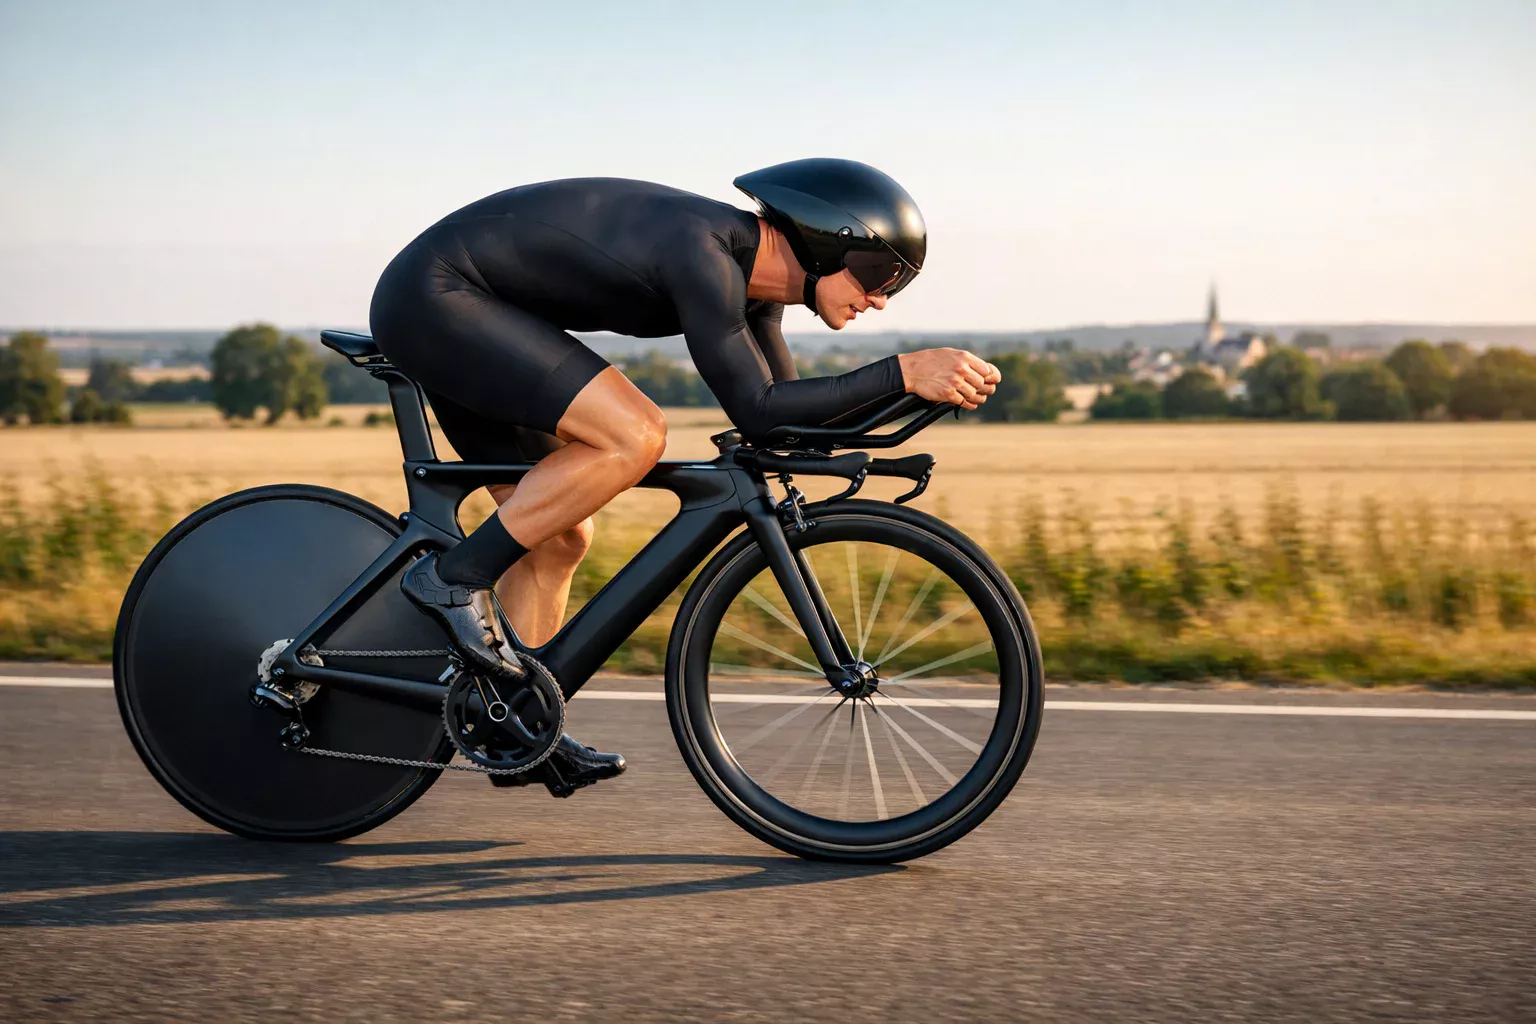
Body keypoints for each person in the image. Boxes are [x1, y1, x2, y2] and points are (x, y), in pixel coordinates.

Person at [369, 158, 1001, 795]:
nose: (881, 298)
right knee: (636, 433)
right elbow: (757, 408)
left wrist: (907, 400)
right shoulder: (706, 251)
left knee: (558, 538)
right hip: (438, 296)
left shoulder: (756, 296)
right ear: (825, 241)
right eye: (878, 275)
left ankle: (515, 722)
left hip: (474, 309)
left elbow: (781, 423)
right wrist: (901, 371)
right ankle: (451, 579)